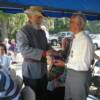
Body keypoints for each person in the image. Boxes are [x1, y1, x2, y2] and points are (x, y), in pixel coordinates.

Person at [17, 6, 56, 100]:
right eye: (38, 17)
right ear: (30, 17)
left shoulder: (42, 32)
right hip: (30, 70)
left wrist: (53, 51)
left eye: (41, 17)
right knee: (32, 95)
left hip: (43, 69)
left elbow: (46, 46)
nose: (40, 19)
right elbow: (23, 49)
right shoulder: (23, 31)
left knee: (43, 93)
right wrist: (44, 53)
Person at [54, 14, 94, 100]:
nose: (69, 24)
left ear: (79, 25)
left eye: (71, 22)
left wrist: (65, 64)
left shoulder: (85, 41)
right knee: (68, 97)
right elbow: (73, 57)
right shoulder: (75, 38)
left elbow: (84, 65)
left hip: (79, 77)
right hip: (71, 74)